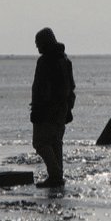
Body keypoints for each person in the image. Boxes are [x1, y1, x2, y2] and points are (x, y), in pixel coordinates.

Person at [30, 27, 76, 188]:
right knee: (55, 142)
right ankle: (57, 175)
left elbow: (39, 88)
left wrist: (36, 110)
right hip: (62, 109)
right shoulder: (65, 60)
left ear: (45, 43)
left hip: (47, 110)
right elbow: (71, 87)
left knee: (41, 143)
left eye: (38, 44)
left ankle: (55, 175)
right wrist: (69, 108)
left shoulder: (44, 61)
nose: (37, 48)